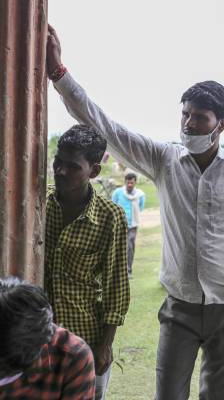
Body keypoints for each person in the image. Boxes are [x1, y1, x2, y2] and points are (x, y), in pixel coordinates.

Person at [46, 26, 224, 400]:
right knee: (168, 393)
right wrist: (59, 74)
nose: (188, 124)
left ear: (222, 125)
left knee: (219, 393)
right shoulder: (164, 160)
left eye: (200, 117)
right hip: (179, 306)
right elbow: (104, 125)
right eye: (185, 114)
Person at [45, 125, 129, 400]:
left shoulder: (110, 217)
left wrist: (105, 345)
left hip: (86, 337)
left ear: (93, 171)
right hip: (36, 337)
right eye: (58, 163)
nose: (61, 171)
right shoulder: (37, 204)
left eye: (73, 167)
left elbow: (116, 284)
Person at [111, 172, 146, 276]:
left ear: (135, 182)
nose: (130, 184)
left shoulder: (139, 194)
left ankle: (128, 270)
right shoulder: (117, 192)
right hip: (119, 224)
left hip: (133, 225)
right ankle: (117, 269)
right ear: (125, 182)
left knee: (130, 246)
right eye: (128, 182)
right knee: (118, 246)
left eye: (132, 182)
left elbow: (140, 207)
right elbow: (113, 205)